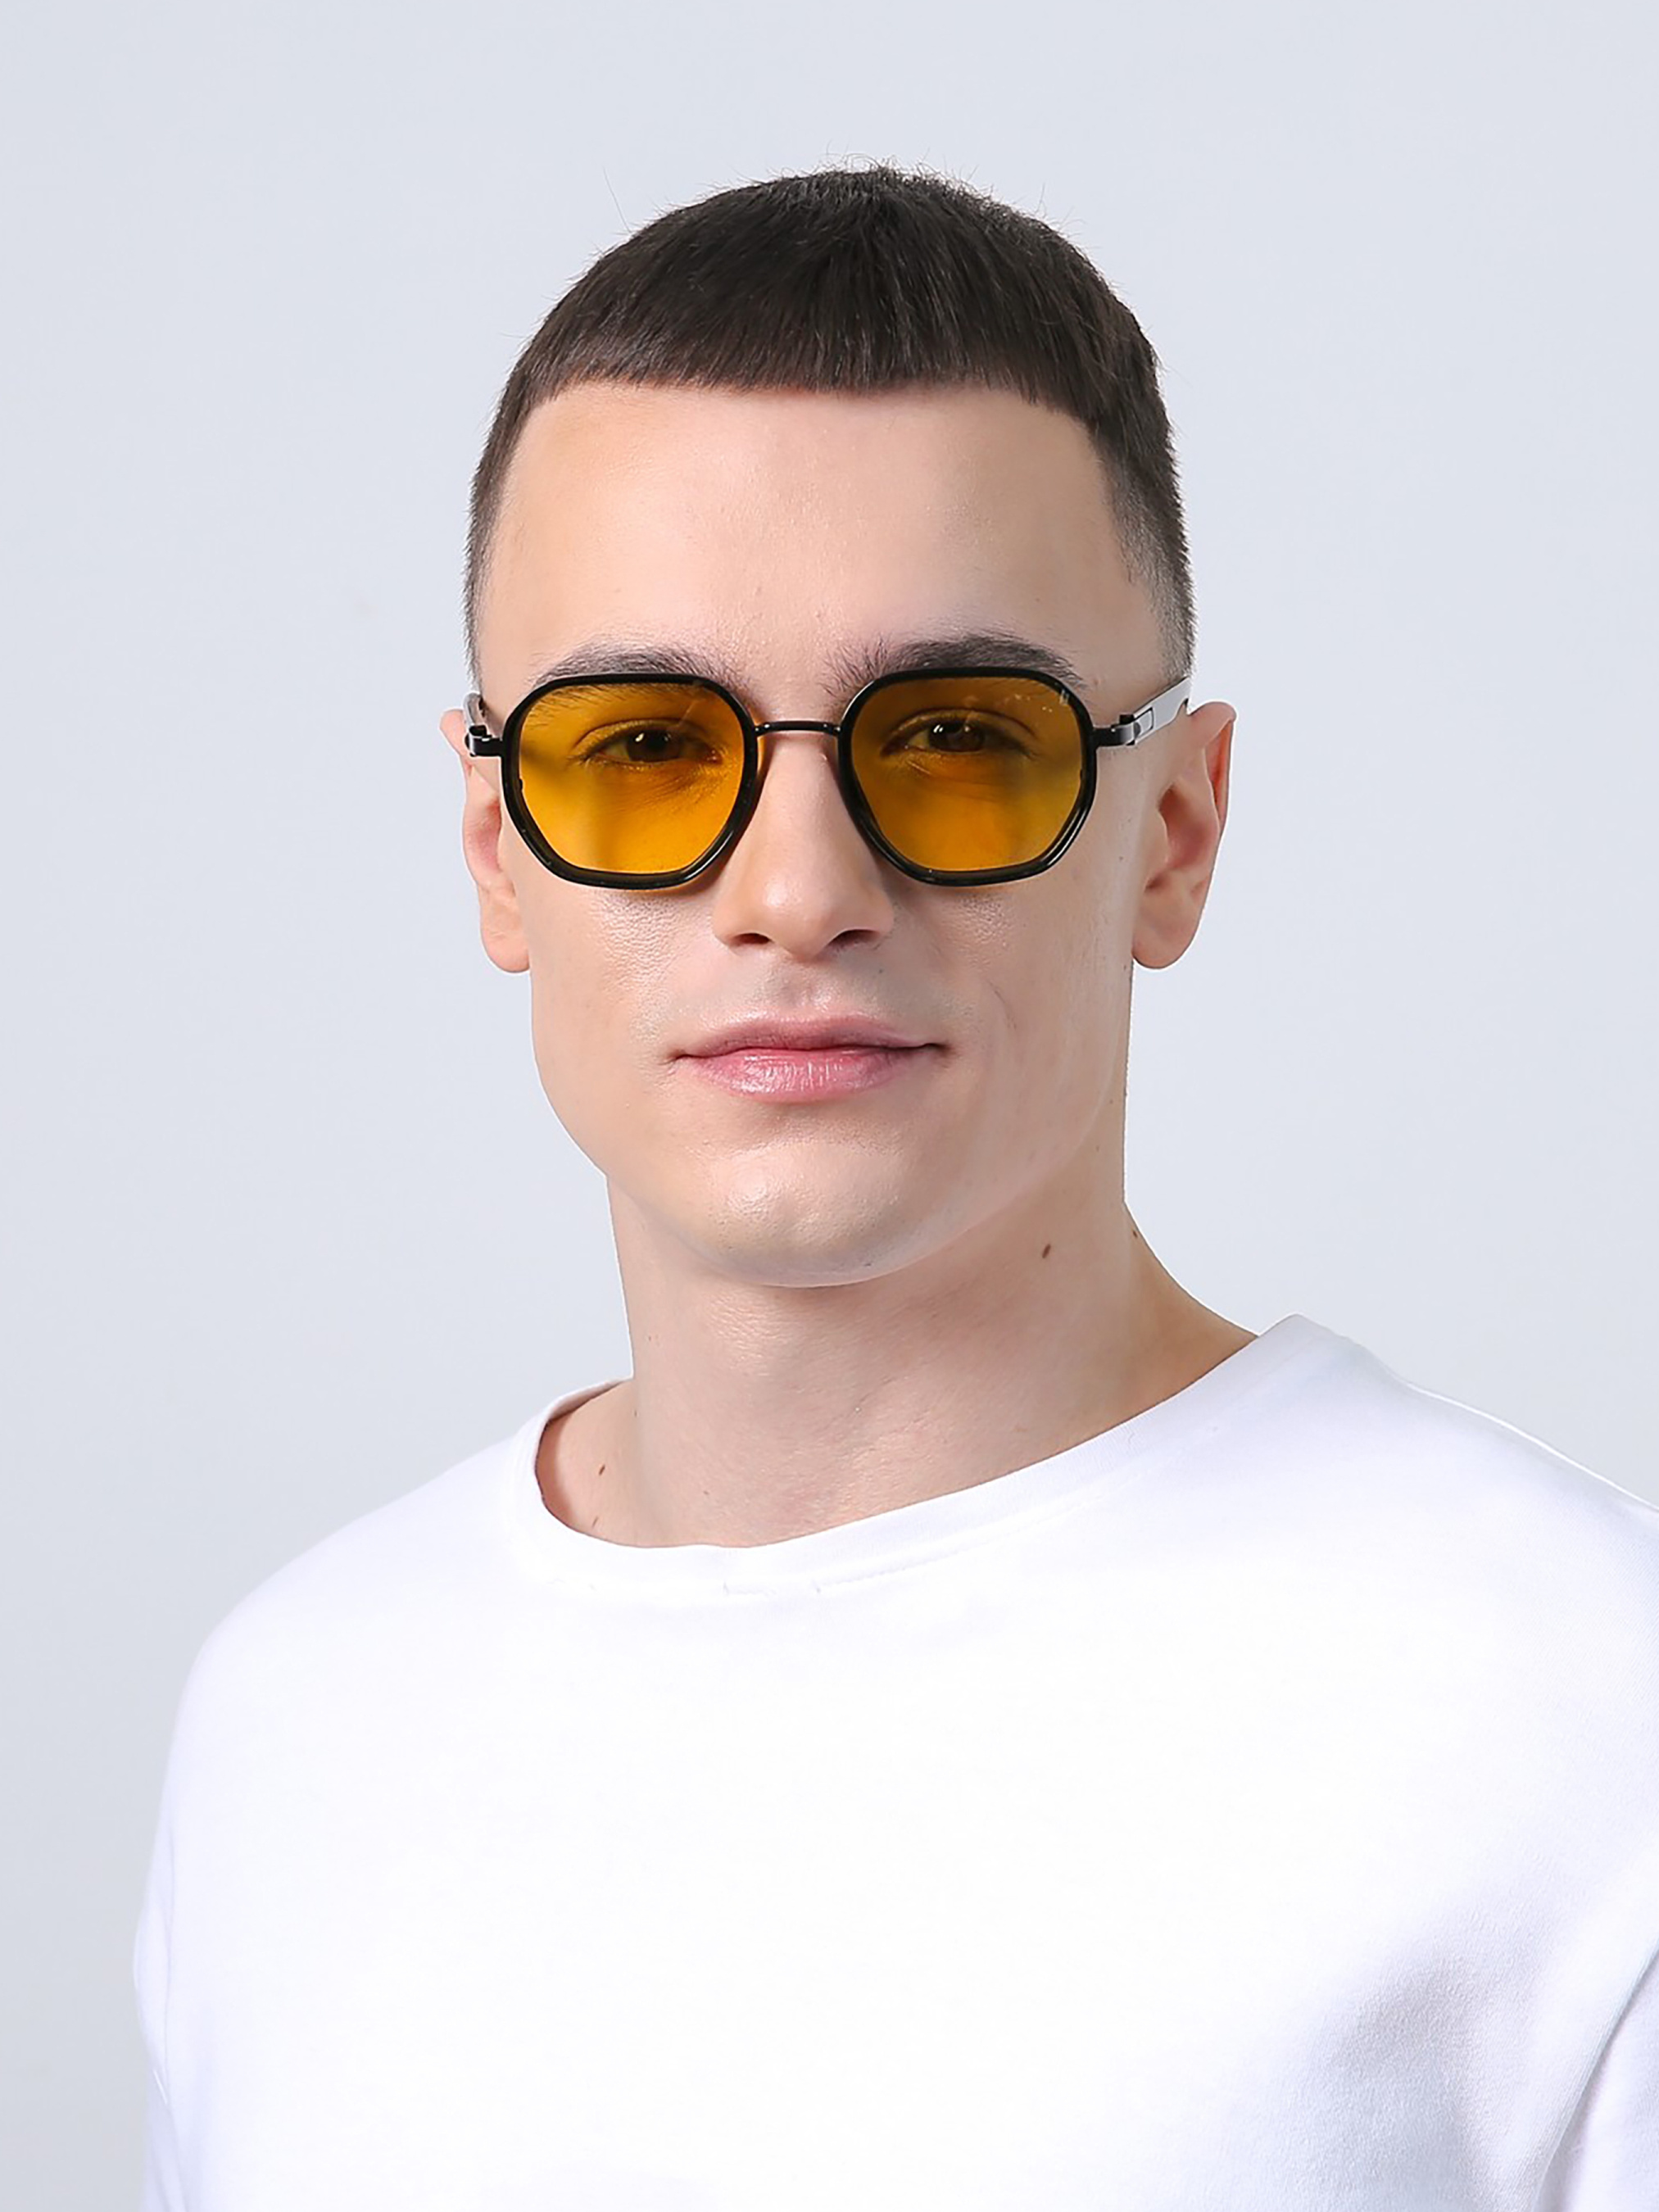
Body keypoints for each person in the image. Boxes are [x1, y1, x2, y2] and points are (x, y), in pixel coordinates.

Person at [134, 165, 1659, 2210]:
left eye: (953, 738)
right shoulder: (294, 1717)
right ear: (497, 851)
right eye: (641, 748)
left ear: (1175, 833)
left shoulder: (1584, 1724)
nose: (797, 891)